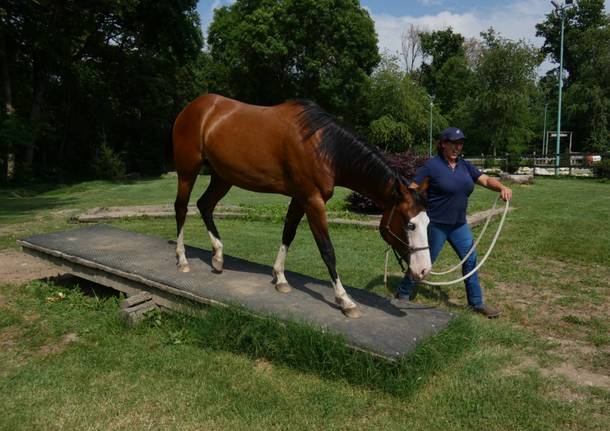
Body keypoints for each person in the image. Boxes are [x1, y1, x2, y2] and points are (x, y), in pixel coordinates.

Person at [391, 127, 512, 318]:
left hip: (459, 225)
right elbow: (411, 190)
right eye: (454, 143)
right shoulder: (432, 166)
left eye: (460, 144)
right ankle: (403, 293)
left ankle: (476, 303)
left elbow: (486, 180)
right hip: (436, 225)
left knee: (470, 261)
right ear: (443, 144)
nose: (458, 147)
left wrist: (502, 187)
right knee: (424, 262)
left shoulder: (465, 166)